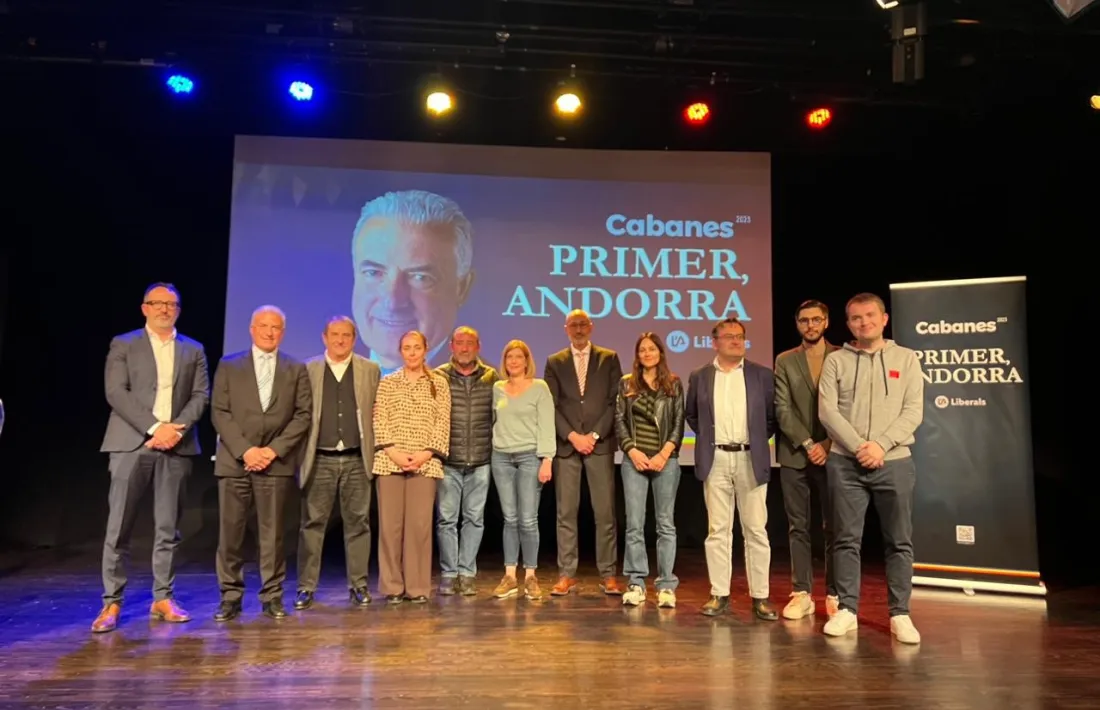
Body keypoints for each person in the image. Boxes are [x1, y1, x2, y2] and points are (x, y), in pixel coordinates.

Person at [93, 283, 209, 633]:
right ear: (144, 308)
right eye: (157, 303)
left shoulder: (193, 349)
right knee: (119, 526)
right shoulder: (124, 344)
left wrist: (175, 430)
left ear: (178, 310)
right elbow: (116, 392)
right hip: (132, 443)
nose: (164, 309)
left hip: (176, 445)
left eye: (171, 304)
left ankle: (163, 598)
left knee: (168, 527)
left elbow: (200, 396)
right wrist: (155, 427)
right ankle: (112, 602)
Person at [818, 293, 924, 644]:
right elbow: (828, 412)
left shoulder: (906, 359)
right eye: (855, 318)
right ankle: (847, 610)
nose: (863, 322)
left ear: (884, 318)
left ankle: (900, 614)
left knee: (899, 541)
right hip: (845, 463)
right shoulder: (836, 361)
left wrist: (881, 445)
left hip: (894, 462)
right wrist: (859, 448)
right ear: (848, 324)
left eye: (869, 315)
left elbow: (913, 410)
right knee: (845, 539)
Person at [211, 305, 312, 621]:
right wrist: (246, 451)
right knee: (231, 533)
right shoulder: (229, 365)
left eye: (276, 327)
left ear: (283, 332)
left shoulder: (295, 368)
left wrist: (272, 451)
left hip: (275, 464)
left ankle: (272, 596)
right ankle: (230, 596)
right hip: (235, 462)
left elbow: (303, 415)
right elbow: (220, 412)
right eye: (264, 326)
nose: (270, 332)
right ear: (252, 329)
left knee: (273, 535)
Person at [685, 317, 779, 620]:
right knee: (718, 531)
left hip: (750, 458)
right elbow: (693, 416)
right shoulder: (700, 376)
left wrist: (754, 441)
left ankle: (760, 597)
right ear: (715, 342)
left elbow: (770, 419)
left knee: (756, 530)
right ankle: (719, 594)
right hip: (716, 459)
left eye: (740, 336)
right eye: (729, 336)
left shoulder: (761, 375)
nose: (736, 341)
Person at [294, 316, 381, 611]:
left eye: (346, 335)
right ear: (324, 337)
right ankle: (306, 587)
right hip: (320, 457)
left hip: (357, 457)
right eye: (335, 334)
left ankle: (359, 584)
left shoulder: (370, 369)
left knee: (358, 523)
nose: (340, 340)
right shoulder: (309, 369)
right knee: (312, 524)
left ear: (354, 339)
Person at [350, 190, 476, 376]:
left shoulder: (484, 384)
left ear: (461, 288)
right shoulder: (322, 373)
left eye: (420, 277)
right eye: (373, 273)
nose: (393, 301)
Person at [544, 309, 624, 596]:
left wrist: (593, 435)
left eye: (582, 325)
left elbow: (615, 402)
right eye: (573, 325)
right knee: (566, 512)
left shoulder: (609, 358)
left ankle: (608, 574)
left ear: (591, 327)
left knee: (605, 513)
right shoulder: (555, 361)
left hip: (599, 446)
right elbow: (551, 405)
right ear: (566, 329)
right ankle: (566, 574)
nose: (578, 330)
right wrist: (573, 436)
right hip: (568, 447)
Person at [372, 330, 452, 603]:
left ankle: (417, 587)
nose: (412, 352)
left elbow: (443, 422)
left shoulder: (438, 383)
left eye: (417, 347)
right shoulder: (388, 382)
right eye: (407, 348)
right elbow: (379, 420)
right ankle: (392, 587)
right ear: (401, 351)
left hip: (425, 463)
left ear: (425, 349)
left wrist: (425, 454)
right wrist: (393, 452)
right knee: (390, 528)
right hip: (390, 461)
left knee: (419, 528)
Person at [774, 300, 840, 620]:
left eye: (816, 320)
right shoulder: (785, 360)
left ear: (826, 322)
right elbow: (782, 408)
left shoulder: (842, 356)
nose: (810, 325)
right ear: (797, 324)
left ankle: (835, 593)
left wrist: (827, 443)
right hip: (795, 453)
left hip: (835, 452)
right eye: (804, 320)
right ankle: (802, 592)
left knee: (834, 527)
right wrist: (809, 443)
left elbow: (848, 406)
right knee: (798, 526)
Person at [614, 332, 685, 609]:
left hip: (665, 461)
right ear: (637, 355)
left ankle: (666, 584)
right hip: (635, 461)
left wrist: (664, 454)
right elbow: (619, 421)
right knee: (634, 524)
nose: (647, 353)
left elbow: (678, 422)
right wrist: (632, 451)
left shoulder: (674, 384)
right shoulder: (626, 384)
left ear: (660, 353)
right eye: (642, 349)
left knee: (665, 524)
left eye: (651, 349)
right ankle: (636, 582)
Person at [434, 326, 499, 596]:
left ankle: (467, 572)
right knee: (446, 520)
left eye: (469, 343)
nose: (464, 348)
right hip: (448, 461)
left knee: (474, 519)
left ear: (478, 346)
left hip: (481, 460)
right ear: (451, 346)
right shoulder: (438, 376)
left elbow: (498, 416)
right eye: (459, 343)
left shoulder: (491, 376)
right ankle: (449, 574)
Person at [489, 340, 555, 601]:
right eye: (509, 357)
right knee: (510, 519)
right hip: (501, 457)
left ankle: (530, 576)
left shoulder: (539, 387)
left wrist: (547, 459)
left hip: (529, 457)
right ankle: (509, 576)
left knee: (528, 519)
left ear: (527, 361)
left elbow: (547, 424)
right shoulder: (497, 388)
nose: (514, 361)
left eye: (519, 357)